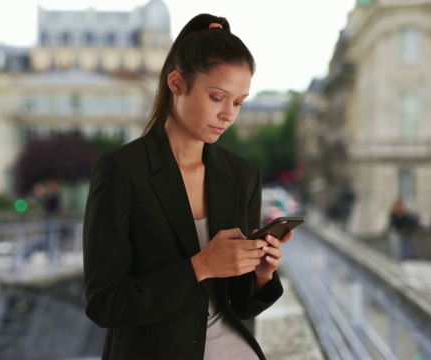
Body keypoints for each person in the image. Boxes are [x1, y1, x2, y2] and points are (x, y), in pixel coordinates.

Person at [83, 14, 292, 360]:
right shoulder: (121, 171)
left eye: (238, 102)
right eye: (217, 98)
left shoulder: (243, 176)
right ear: (177, 83)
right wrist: (201, 266)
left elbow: (239, 305)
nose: (228, 114)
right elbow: (105, 305)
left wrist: (261, 274)